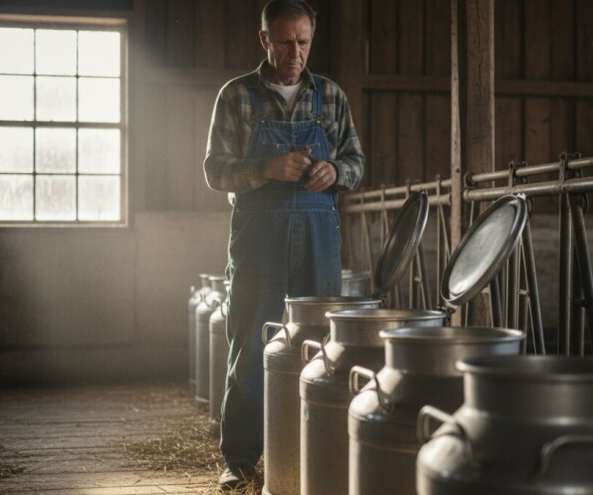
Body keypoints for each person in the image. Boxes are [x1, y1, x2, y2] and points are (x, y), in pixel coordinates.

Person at [202, 0, 365, 490]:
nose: (295, 53)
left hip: (318, 235)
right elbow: (214, 170)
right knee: (251, 344)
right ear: (264, 39)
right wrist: (265, 170)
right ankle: (241, 460)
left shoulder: (331, 96)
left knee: (322, 347)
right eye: (284, 41)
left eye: (303, 42)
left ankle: (313, 454)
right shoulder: (236, 96)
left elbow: (356, 161)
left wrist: (335, 171)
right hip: (258, 239)